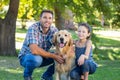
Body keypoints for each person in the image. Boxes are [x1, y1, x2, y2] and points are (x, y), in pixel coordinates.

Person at [18, 10, 64, 80]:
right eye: (45, 17)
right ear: (40, 18)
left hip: (43, 56)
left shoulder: (54, 30)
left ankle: (47, 75)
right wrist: (54, 56)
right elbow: (34, 50)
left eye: (50, 18)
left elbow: (60, 44)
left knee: (63, 58)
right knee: (37, 59)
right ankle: (27, 75)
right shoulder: (33, 28)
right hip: (27, 57)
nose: (47, 20)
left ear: (52, 20)